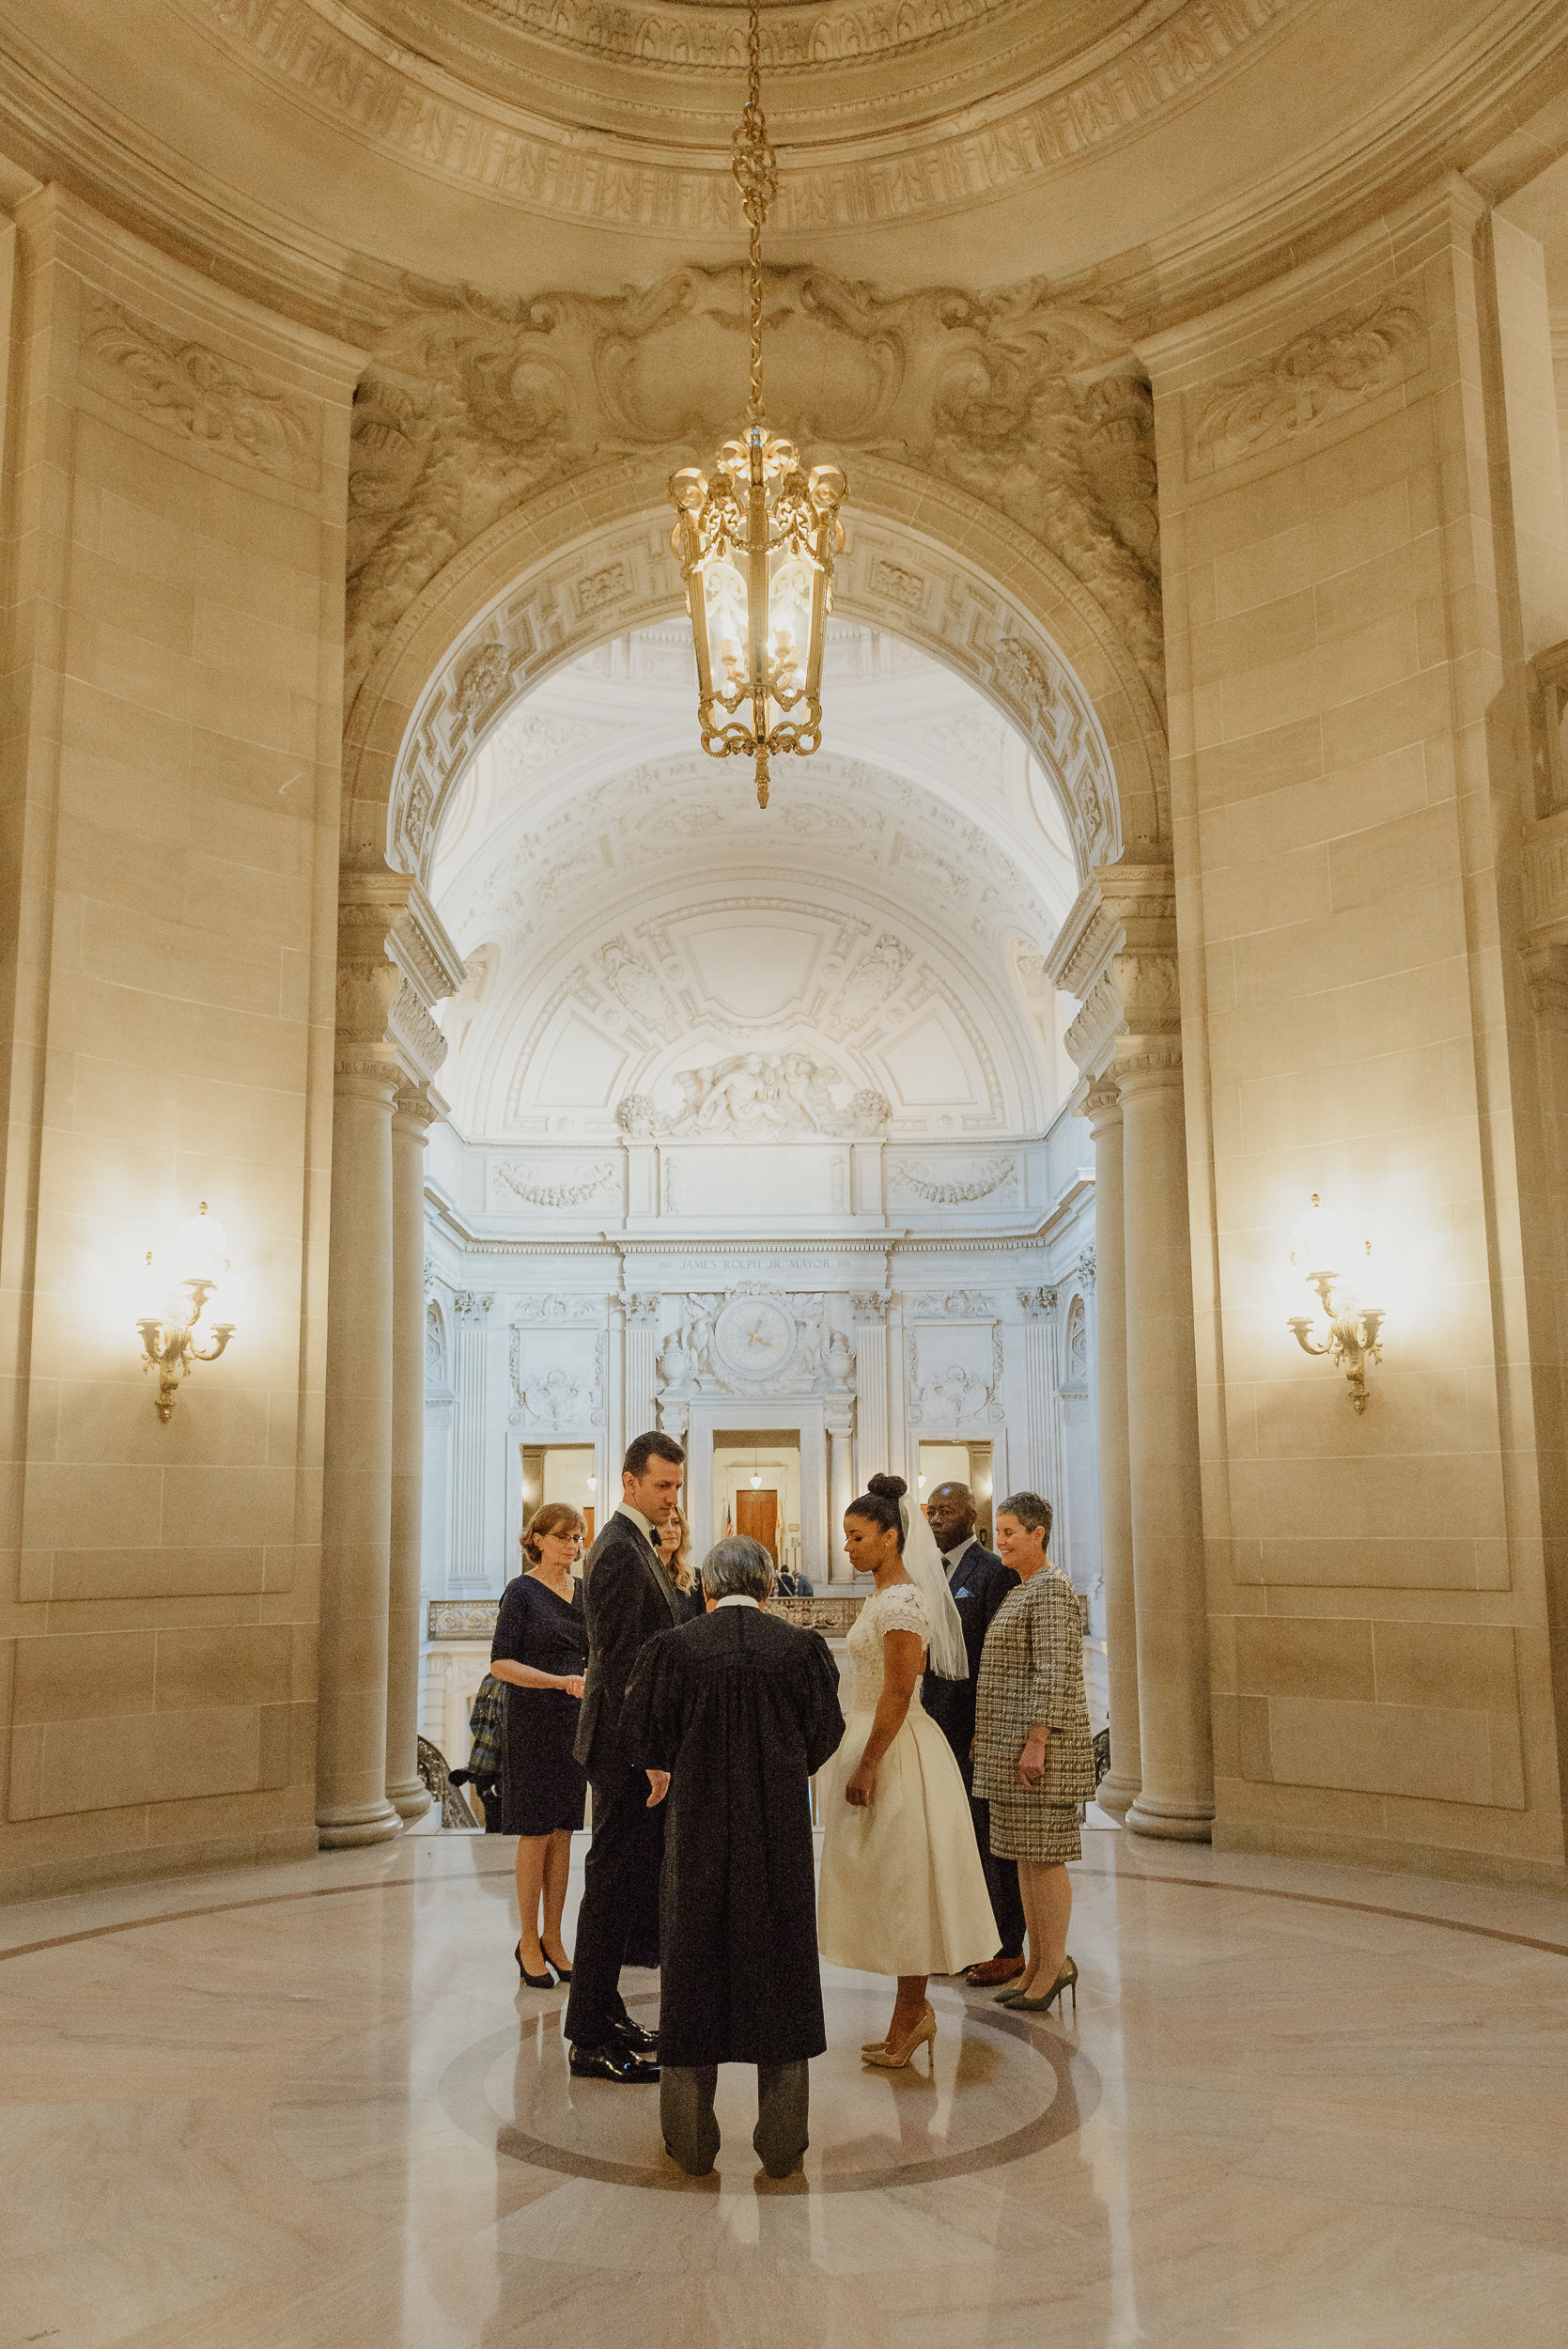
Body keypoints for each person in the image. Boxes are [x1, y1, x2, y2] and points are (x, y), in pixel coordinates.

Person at [623, 1536, 845, 2179]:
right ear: (769, 1586)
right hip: (775, 1836)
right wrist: (779, 1767)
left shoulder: (673, 1650)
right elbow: (824, 1734)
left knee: (692, 1971)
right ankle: (782, 2145)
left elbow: (641, 1735)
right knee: (781, 1969)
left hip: (694, 1835)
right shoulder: (799, 1650)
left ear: (705, 1587)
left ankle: (690, 2143)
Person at [815, 1473, 996, 2068]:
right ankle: (908, 2015)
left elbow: (898, 1690)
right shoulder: (882, 1596)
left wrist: (869, 1763)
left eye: (857, 1535)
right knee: (887, 1884)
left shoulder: (901, 1601)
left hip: (896, 1750)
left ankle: (911, 2018)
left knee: (905, 1885)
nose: (847, 1546)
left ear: (890, 1537)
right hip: (874, 1737)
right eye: (846, 1536)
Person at [564, 1429, 687, 2082]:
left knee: (616, 1887)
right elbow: (617, 1666)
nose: (670, 1498)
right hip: (621, 1750)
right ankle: (587, 2040)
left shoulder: (634, 1542)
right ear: (629, 1482)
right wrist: (647, 1755)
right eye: (660, 1485)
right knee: (609, 1892)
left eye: (675, 1486)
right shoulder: (615, 1548)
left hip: (625, 1746)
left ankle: (605, 2013)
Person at [973, 1491, 1095, 2015]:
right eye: (997, 1532)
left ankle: (1053, 1966)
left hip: (1040, 1752)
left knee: (1044, 1860)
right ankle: (1038, 1966)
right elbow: (1006, 1675)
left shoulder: (1051, 1589)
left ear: (1037, 1534)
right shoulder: (1022, 1590)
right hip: (1011, 1748)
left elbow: (1053, 1669)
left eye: (1009, 1532)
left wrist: (1038, 1741)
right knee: (1025, 1858)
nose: (999, 1541)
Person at [922, 1481, 1028, 1988]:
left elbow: (997, 1660)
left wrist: (986, 1731)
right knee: (954, 1835)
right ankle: (967, 1939)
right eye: (931, 1511)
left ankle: (1007, 1946)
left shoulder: (991, 1572)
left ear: (970, 1514)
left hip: (974, 1729)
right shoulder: (928, 1571)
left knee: (989, 1836)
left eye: (946, 1511)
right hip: (935, 1724)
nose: (937, 1519)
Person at [489, 1503, 587, 1985]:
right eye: (563, 1536)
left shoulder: (582, 1592)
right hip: (532, 1721)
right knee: (536, 1832)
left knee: (564, 1832)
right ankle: (528, 1939)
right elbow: (501, 1664)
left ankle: (554, 1936)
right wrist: (557, 1681)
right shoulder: (521, 1592)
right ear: (538, 1540)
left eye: (577, 1537)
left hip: (574, 1722)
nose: (572, 1545)